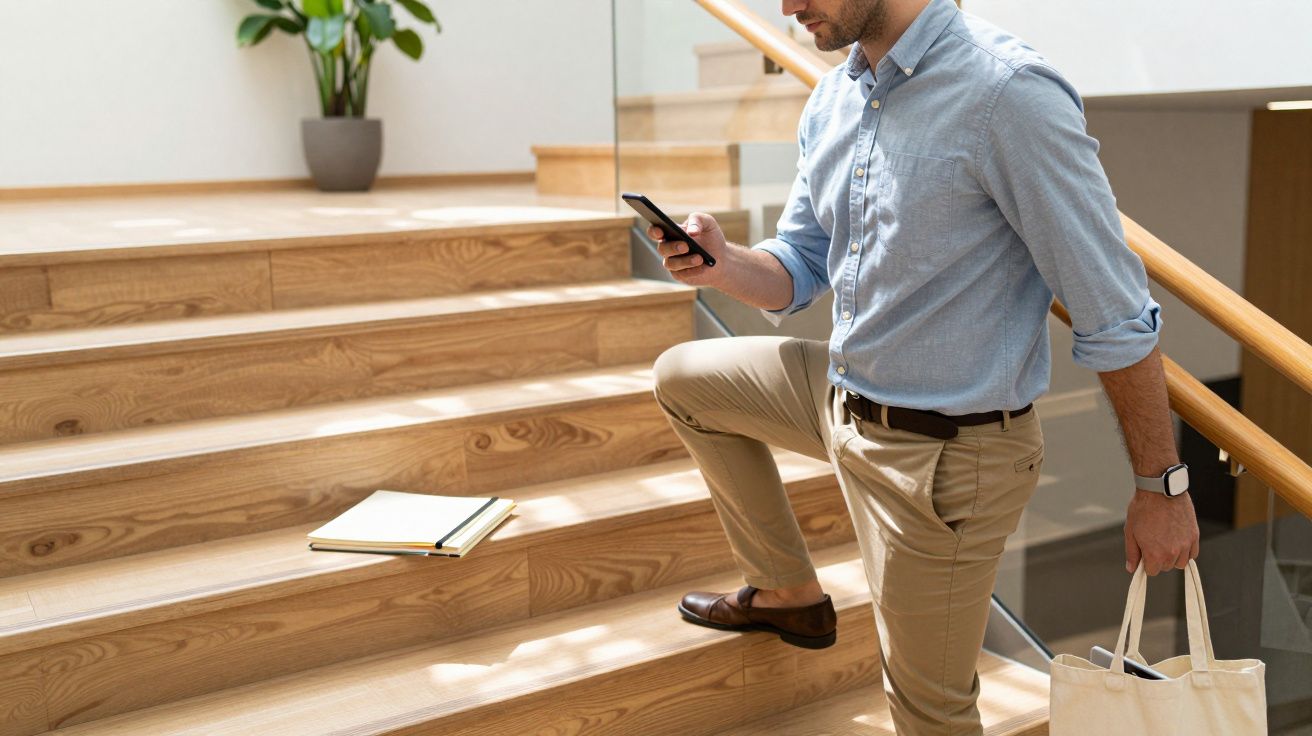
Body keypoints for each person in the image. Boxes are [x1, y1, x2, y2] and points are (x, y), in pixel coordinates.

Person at [648, 0, 1201, 733]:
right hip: (842, 396)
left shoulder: (1008, 94)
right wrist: (723, 266)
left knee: (928, 715)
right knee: (684, 379)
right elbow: (799, 266)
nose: (785, 7)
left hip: (947, 457)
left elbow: (1114, 311)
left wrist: (1160, 487)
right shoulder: (835, 95)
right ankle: (788, 593)